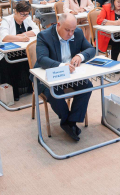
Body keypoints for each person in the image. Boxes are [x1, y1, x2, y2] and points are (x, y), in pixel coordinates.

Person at [34, 13, 96, 141]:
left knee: (87, 86)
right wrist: (62, 66)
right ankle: (67, 121)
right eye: (67, 30)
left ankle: (71, 121)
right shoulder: (44, 36)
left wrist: (80, 56)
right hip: (48, 74)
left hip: (70, 74)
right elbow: (42, 59)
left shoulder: (77, 33)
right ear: (58, 25)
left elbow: (91, 49)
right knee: (54, 92)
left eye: (73, 30)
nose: (71, 34)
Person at [0, 1, 39, 101]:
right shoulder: (7, 20)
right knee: (11, 64)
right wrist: (20, 38)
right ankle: (14, 92)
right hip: (8, 52)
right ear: (15, 11)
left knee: (33, 60)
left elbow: (37, 30)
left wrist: (23, 35)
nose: (24, 17)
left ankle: (30, 87)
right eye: (22, 14)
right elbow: (4, 37)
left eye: (26, 14)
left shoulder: (27, 18)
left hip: (23, 50)